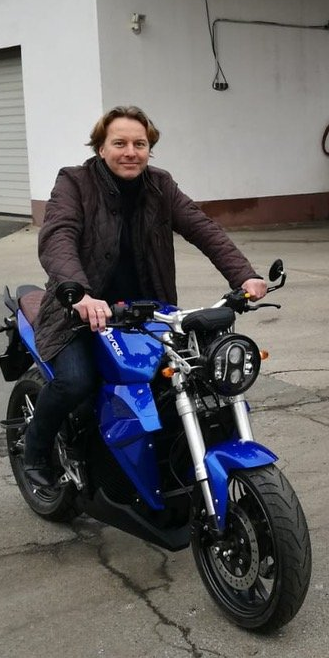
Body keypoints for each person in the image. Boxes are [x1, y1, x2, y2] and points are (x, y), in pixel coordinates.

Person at [24, 105, 267, 487]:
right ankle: (35, 451)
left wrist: (245, 276)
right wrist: (80, 293)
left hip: (147, 312)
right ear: (100, 148)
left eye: (140, 144)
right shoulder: (74, 182)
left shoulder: (160, 184)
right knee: (76, 382)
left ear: (149, 149)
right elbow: (58, 236)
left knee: (186, 379)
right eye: (119, 142)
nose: (130, 151)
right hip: (78, 312)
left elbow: (202, 228)